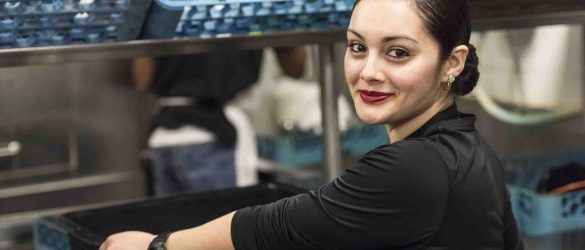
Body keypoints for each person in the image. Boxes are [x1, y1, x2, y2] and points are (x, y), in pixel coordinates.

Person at [101, 0, 524, 249]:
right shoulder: (470, 149)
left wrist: (157, 245)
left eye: (397, 53)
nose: (368, 71)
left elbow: (276, 225)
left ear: (453, 61)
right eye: (358, 47)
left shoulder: (414, 166)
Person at [133, 47, 306, 196]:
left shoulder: (162, 11)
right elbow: (296, 67)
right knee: (229, 227)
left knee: (174, 229)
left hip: (164, 139)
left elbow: (143, 80)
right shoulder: (244, 8)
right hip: (215, 137)